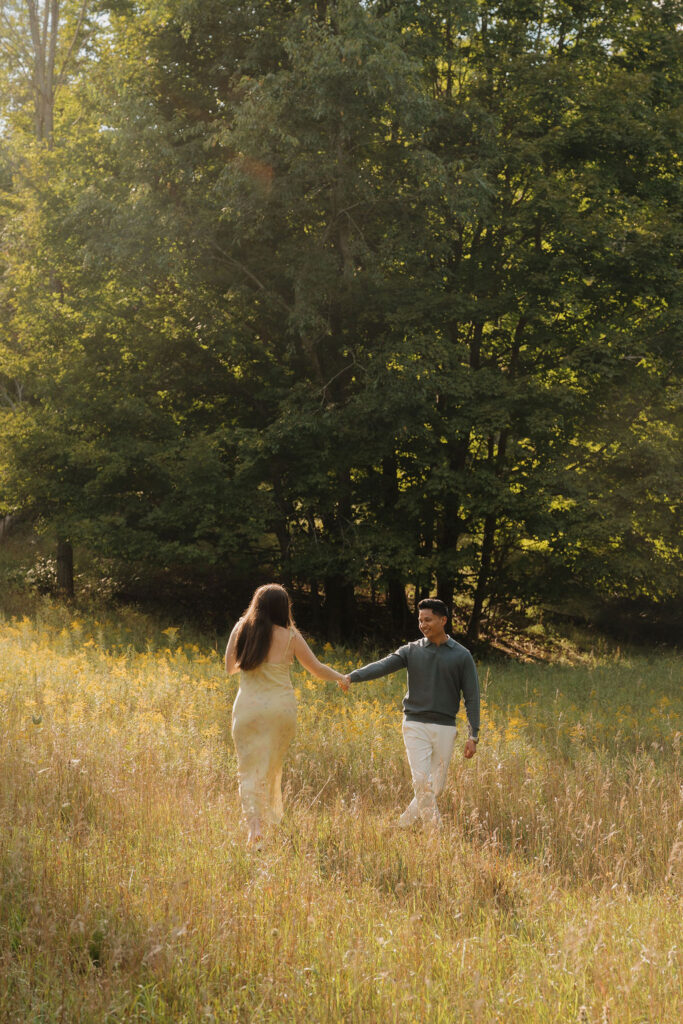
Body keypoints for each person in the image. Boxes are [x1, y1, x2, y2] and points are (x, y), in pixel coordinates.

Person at [225, 583, 349, 845]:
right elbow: (315, 667)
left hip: (248, 708)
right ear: (284, 607)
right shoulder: (291, 635)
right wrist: (341, 677)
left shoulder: (242, 628)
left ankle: (254, 826)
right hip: (280, 711)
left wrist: (238, 630)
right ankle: (269, 819)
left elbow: (230, 667)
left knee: (248, 769)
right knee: (270, 767)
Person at [342, 598, 480, 830]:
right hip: (414, 723)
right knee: (421, 781)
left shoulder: (462, 655)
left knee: (436, 787)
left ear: (443, 620)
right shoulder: (411, 650)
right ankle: (435, 835)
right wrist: (352, 676)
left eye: (428, 620)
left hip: (446, 726)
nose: (423, 625)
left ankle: (401, 825)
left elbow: (472, 697)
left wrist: (473, 734)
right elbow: (382, 666)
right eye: (420, 620)